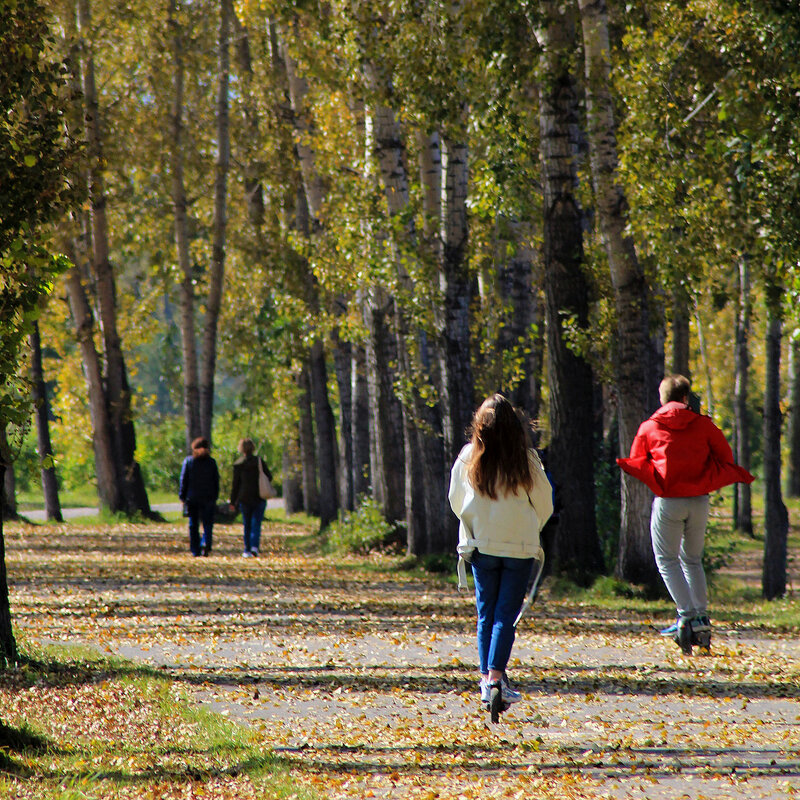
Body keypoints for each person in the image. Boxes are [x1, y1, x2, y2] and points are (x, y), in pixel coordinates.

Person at [617, 374, 754, 655]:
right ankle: (701, 618)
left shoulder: (649, 427)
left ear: (663, 399)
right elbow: (725, 458)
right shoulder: (704, 425)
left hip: (669, 501)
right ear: (685, 398)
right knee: (692, 559)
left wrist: (657, 476)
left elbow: (636, 460)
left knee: (667, 559)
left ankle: (686, 615)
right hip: (699, 501)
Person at [448, 394, 553, 722]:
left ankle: (486, 680)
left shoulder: (469, 457)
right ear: (514, 424)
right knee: (505, 614)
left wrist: (473, 526)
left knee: (485, 612)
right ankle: (496, 676)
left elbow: (454, 499)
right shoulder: (527, 460)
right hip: (519, 548)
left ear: (480, 425)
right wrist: (530, 528)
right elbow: (545, 503)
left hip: (483, 546)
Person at [229, 438, 273, 557]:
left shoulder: (238, 464)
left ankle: (246, 549)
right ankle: (255, 547)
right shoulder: (259, 462)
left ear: (241, 449)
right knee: (256, 524)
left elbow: (235, 485)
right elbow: (269, 476)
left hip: (244, 498)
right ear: (253, 448)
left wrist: (233, 501)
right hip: (259, 497)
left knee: (247, 525)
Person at [179, 437, 220, 557]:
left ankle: (195, 549)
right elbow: (215, 480)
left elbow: (184, 479)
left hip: (192, 497)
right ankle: (206, 542)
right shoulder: (211, 462)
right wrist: (215, 495)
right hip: (208, 497)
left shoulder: (189, 461)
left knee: (193, 524)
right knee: (207, 523)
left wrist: (182, 495)